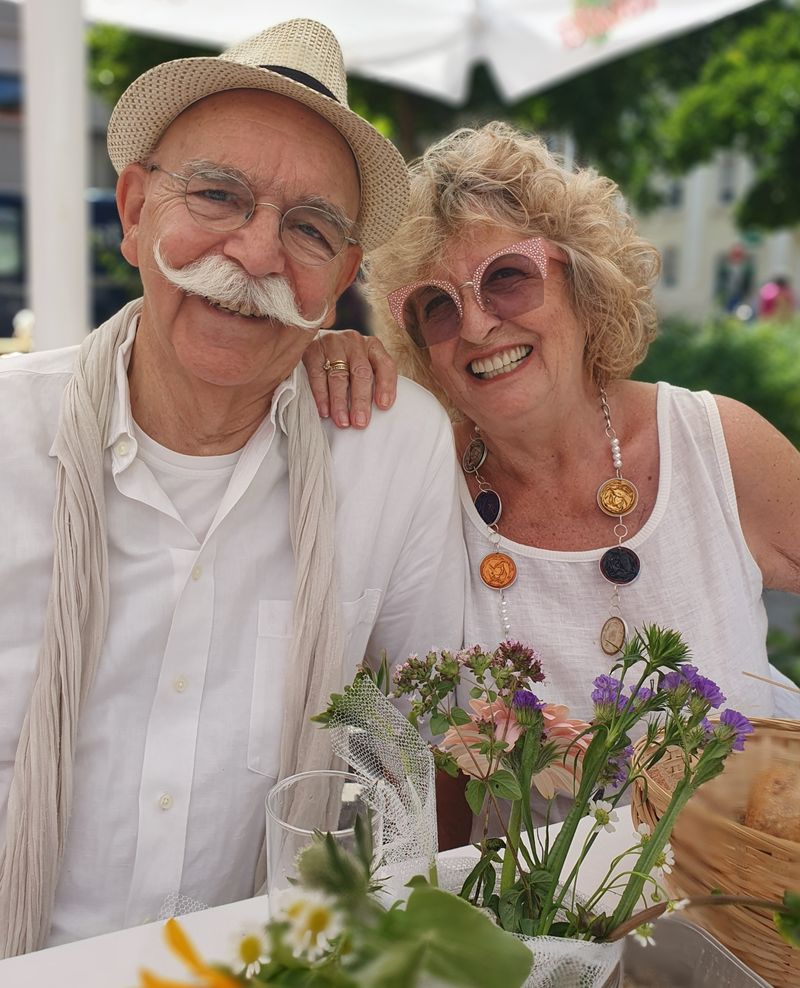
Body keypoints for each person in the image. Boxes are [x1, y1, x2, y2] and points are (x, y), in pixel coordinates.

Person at [0, 19, 465, 957]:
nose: (257, 254)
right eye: (217, 194)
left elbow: (425, 746)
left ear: (339, 282)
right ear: (134, 210)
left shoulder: (392, 450)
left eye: (310, 228)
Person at [308, 121, 800, 730]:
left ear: (583, 281)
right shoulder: (423, 487)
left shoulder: (715, 446)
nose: (477, 327)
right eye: (435, 306)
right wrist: (308, 359)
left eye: (507, 276)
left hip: (739, 826)